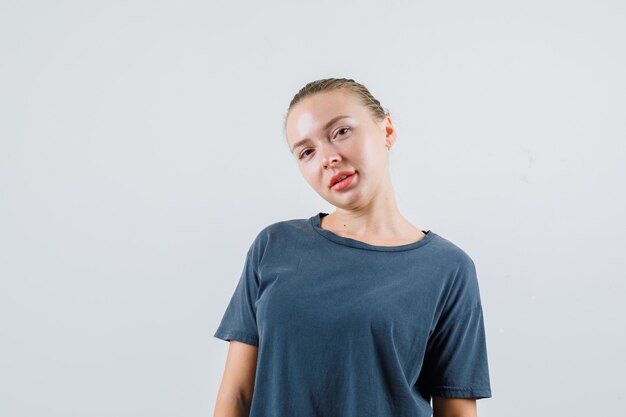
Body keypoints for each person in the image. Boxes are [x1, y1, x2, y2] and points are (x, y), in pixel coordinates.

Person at [213, 78, 492, 417]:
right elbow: (236, 397)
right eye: (307, 152)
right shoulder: (273, 246)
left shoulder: (448, 268)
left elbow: (456, 410)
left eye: (341, 132)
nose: (327, 158)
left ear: (387, 130)